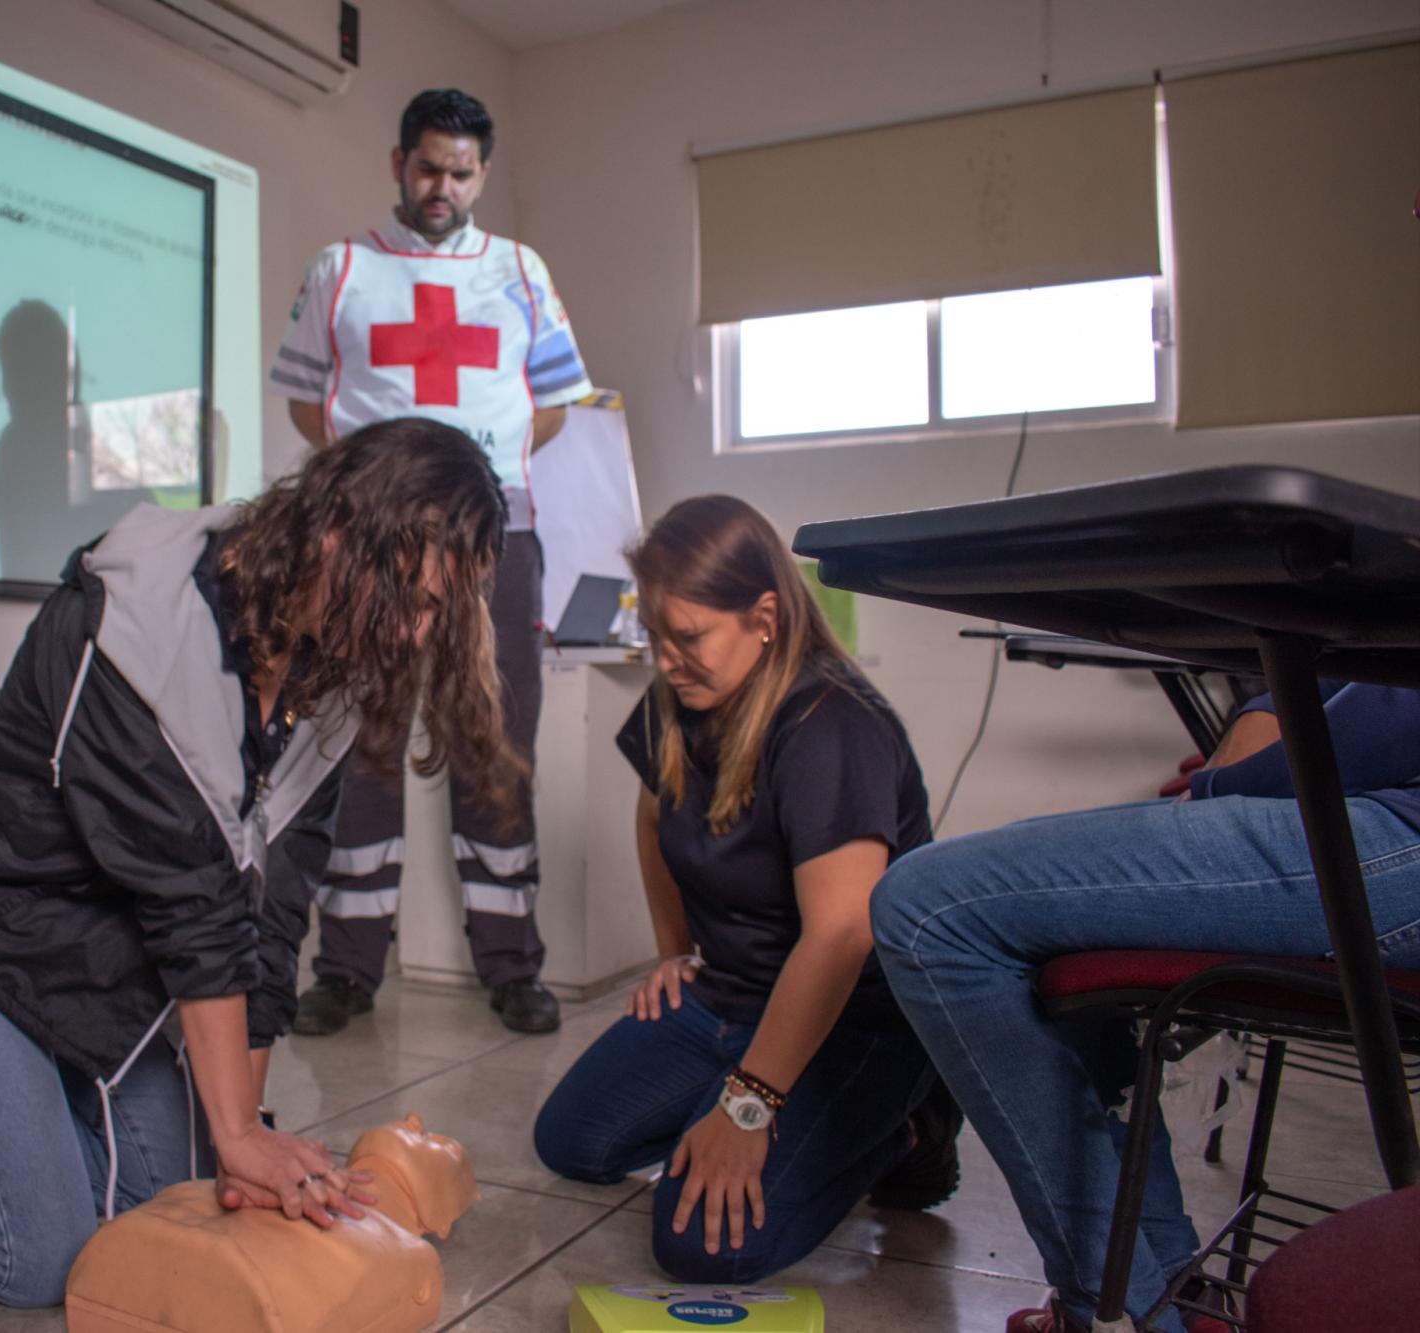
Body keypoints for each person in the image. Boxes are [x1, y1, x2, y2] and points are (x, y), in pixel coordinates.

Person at [0, 419, 524, 1308]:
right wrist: (233, 1130)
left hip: (107, 955)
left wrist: (238, 1155)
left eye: (438, 611)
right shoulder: (136, 623)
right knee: (37, 1258)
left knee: (166, 1213)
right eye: (411, 598)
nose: (420, 635)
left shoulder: (335, 675)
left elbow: (270, 915)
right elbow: (195, 905)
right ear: (341, 530)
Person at [870, 684, 1420, 1333]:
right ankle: (1167, 1292)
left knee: (926, 908)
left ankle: (1113, 1306)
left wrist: (1224, 785)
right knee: (1042, 909)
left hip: (1399, 828)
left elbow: (1385, 703)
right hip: (1376, 798)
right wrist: (1253, 732)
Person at [533, 495, 958, 1283]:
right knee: (574, 1140)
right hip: (729, 997)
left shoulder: (831, 723)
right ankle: (771, 1102)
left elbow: (841, 934)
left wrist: (748, 1103)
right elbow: (653, 807)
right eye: (656, 637)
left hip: (857, 1021)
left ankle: (905, 1125)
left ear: (764, 616)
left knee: (701, 1244)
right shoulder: (681, 694)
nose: (665, 659)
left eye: (688, 637)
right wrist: (674, 953)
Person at [268, 87, 594, 1036]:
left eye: (461, 171)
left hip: (497, 540)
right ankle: (346, 970)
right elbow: (305, 402)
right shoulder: (342, 267)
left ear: (482, 172)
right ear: (397, 162)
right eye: (427, 168)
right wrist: (380, 494)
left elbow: (556, 402)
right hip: (370, 551)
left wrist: (469, 486)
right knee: (359, 747)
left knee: (493, 743)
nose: (442, 186)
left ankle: (511, 966)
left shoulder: (522, 269)